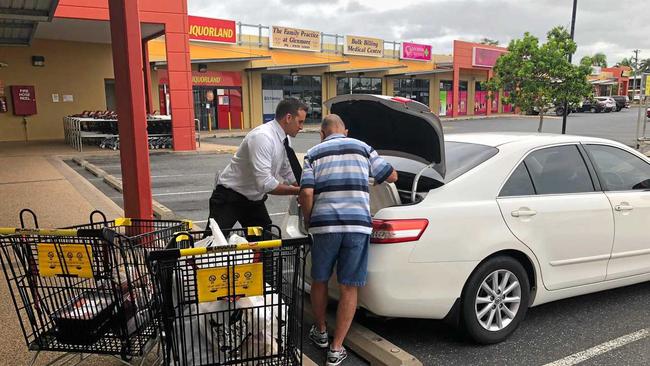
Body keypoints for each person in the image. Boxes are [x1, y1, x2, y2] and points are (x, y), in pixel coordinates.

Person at [299, 114, 398, 366]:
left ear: (322, 134)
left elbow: (307, 192)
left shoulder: (312, 153)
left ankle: (320, 331)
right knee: (348, 286)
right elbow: (392, 176)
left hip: (324, 227)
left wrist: (310, 220)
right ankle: (336, 348)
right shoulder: (363, 148)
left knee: (319, 280)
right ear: (345, 132)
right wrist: (367, 178)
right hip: (356, 227)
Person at [207, 98, 307, 233]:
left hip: (253, 199)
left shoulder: (284, 138)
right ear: (288, 118)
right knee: (213, 244)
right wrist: (299, 191)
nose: (301, 127)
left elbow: (287, 169)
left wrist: (305, 185)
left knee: (266, 242)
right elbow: (265, 184)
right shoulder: (262, 137)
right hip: (230, 196)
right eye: (300, 122)